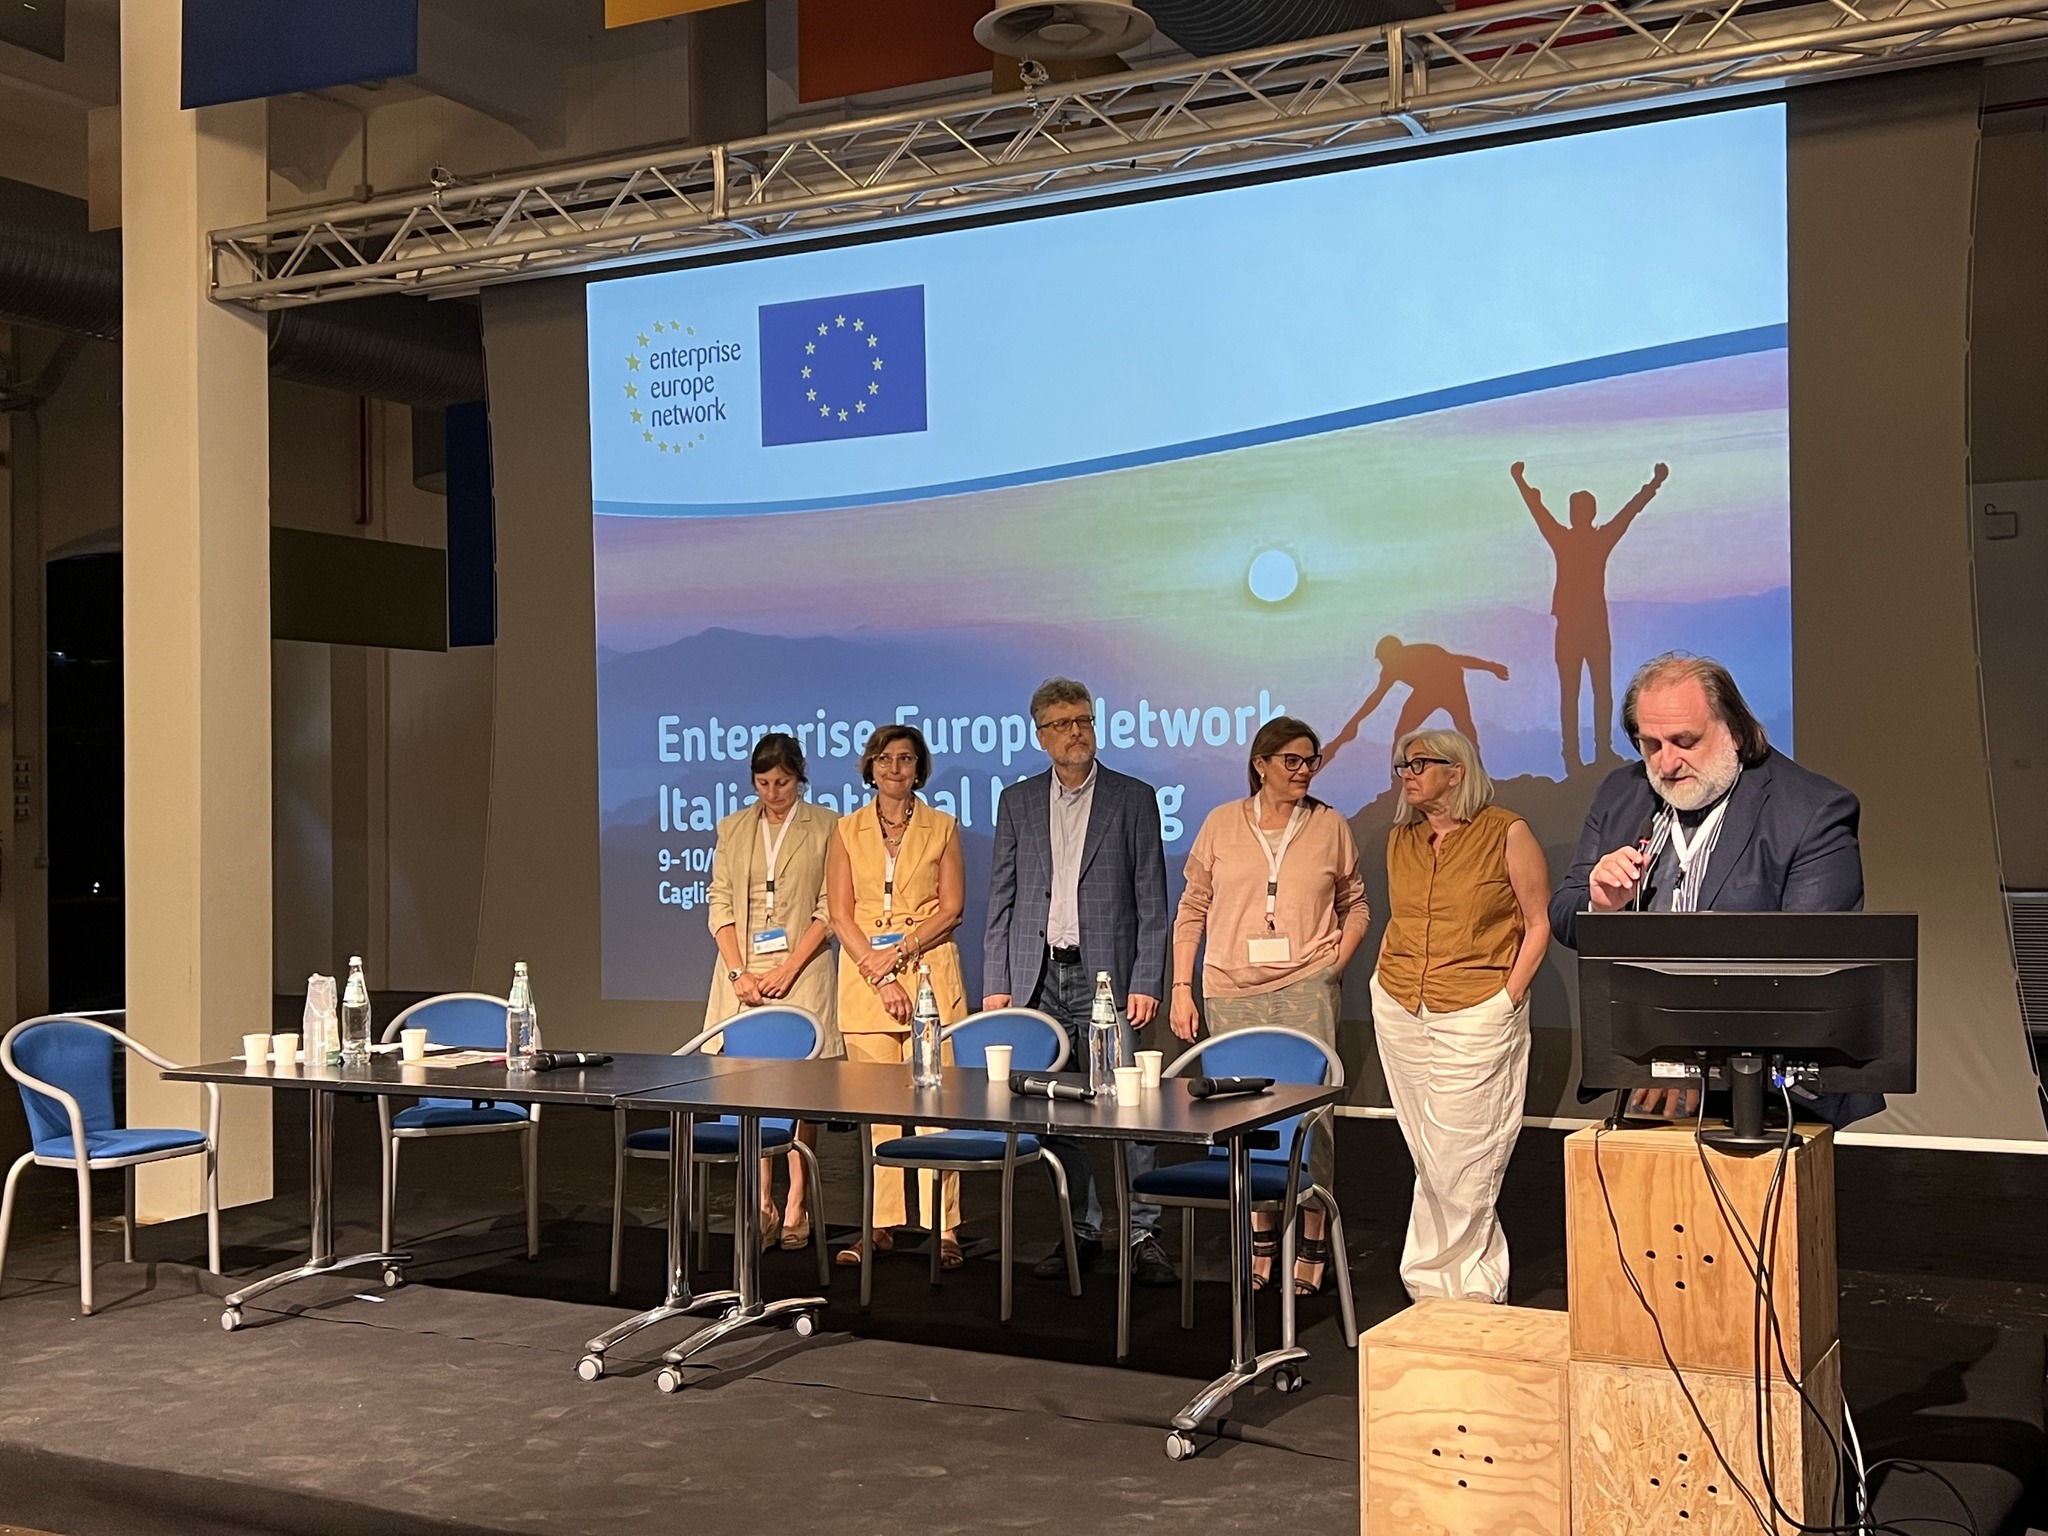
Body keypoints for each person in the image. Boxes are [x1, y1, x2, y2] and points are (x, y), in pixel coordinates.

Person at [1550, 652, 1880, 1127]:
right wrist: (1599, 905)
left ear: (1736, 732)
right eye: (1650, 745)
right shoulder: (1621, 794)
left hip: (1770, 1090)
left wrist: (1690, 1057)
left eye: (1685, 741)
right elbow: (1564, 914)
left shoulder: (1812, 811)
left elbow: (1807, 968)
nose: (1666, 763)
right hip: (1646, 1075)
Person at [984, 678, 1177, 1287]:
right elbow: (1002, 898)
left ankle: (1143, 1232)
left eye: (1084, 721)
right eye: (1064, 724)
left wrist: (1147, 979)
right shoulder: (1017, 801)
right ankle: (1082, 1228)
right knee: (1054, 1111)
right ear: (1041, 735)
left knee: (1130, 1108)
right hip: (1037, 978)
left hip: (1108, 981)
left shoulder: (1133, 798)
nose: (1077, 733)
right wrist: (997, 982)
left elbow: (1152, 900)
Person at [1171, 717, 1370, 1293]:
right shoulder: (1220, 823)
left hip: (1306, 987)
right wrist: (1181, 986)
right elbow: (1193, 908)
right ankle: (1261, 1242)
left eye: (1311, 761)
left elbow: (1356, 905)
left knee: (1310, 1120)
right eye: (1292, 760)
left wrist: (1334, 964)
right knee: (1242, 1119)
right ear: (1261, 764)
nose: (1304, 771)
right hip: (1230, 990)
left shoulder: (1330, 825)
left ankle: (1312, 1241)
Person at [1369, 728, 1552, 1303]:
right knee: (1428, 1149)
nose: (1408, 774)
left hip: (1476, 1006)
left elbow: (1538, 923)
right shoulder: (1401, 839)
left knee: (1465, 1153)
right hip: (1400, 1002)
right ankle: (1437, 1280)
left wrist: (1508, 998)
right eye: (1403, 766)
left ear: (1457, 771)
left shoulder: (1507, 831)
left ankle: (1467, 1283)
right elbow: (1399, 918)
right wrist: (1382, 980)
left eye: (1420, 764)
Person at [826, 724, 969, 1268]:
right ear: (870, 766)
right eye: (884, 758)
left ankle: (945, 1227)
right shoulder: (846, 830)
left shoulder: (943, 827)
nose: (894, 768)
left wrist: (901, 953)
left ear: (918, 768)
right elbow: (840, 914)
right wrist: (880, 973)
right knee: (877, 1113)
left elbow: (951, 909)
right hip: (868, 980)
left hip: (929, 971)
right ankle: (881, 1224)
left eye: (905, 759)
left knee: (937, 1110)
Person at [704, 732, 840, 1250]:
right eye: (762, 783)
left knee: (800, 1092)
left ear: (799, 778)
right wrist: (738, 971)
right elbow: (719, 903)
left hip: (802, 971)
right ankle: (761, 1201)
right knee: (749, 1091)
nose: (772, 792)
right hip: (741, 976)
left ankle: (797, 1201)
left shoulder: (827, 826)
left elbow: (830, 908)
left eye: (782, 782)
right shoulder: (733, 827)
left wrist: (788, 967)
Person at [1513, 460, 1669, 772]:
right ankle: (1582, 755)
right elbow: (1628, 512)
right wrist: (1654, 483)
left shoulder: (1575, 539)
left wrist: (1654, 484)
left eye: (1579, 509)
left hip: (1585, 626)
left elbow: (1627, 512)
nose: (1576, 514)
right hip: (1583, 626)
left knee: (1585, 692)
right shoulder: (1588, 538)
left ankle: (1585, 755)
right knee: (1585, 692)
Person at [1324, 636, 1511, 762]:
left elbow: (1458, 660)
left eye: (1382, 658)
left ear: (1391, 653)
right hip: (1428, 691)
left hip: (1450, 686)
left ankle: (1475, 763)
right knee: (1402, 733)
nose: (1382, 662)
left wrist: (1491, 667)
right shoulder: (1392, 668)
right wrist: (1355, 722)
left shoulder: (1422, 653)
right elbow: (1376, 697)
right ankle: (1397, 778)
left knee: (1463, 723)